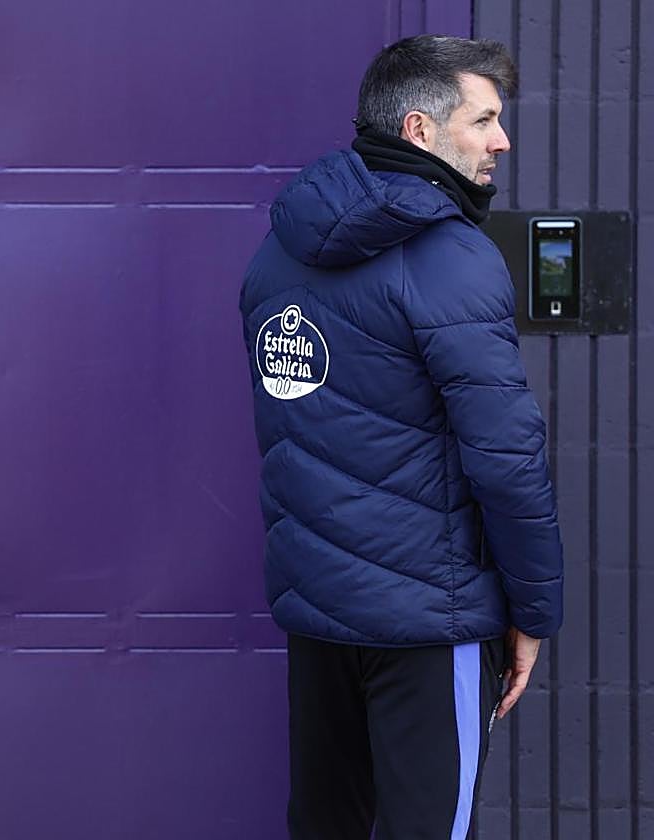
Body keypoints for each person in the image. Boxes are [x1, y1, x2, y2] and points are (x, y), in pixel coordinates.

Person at [239, 35, 564, 840]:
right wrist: (534, 611)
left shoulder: (279, 252)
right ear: (420, 130)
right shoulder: (452, 256)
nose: (501, 141)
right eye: (485, 120)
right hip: (432, 621)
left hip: (320, 615)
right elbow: (508, 459)